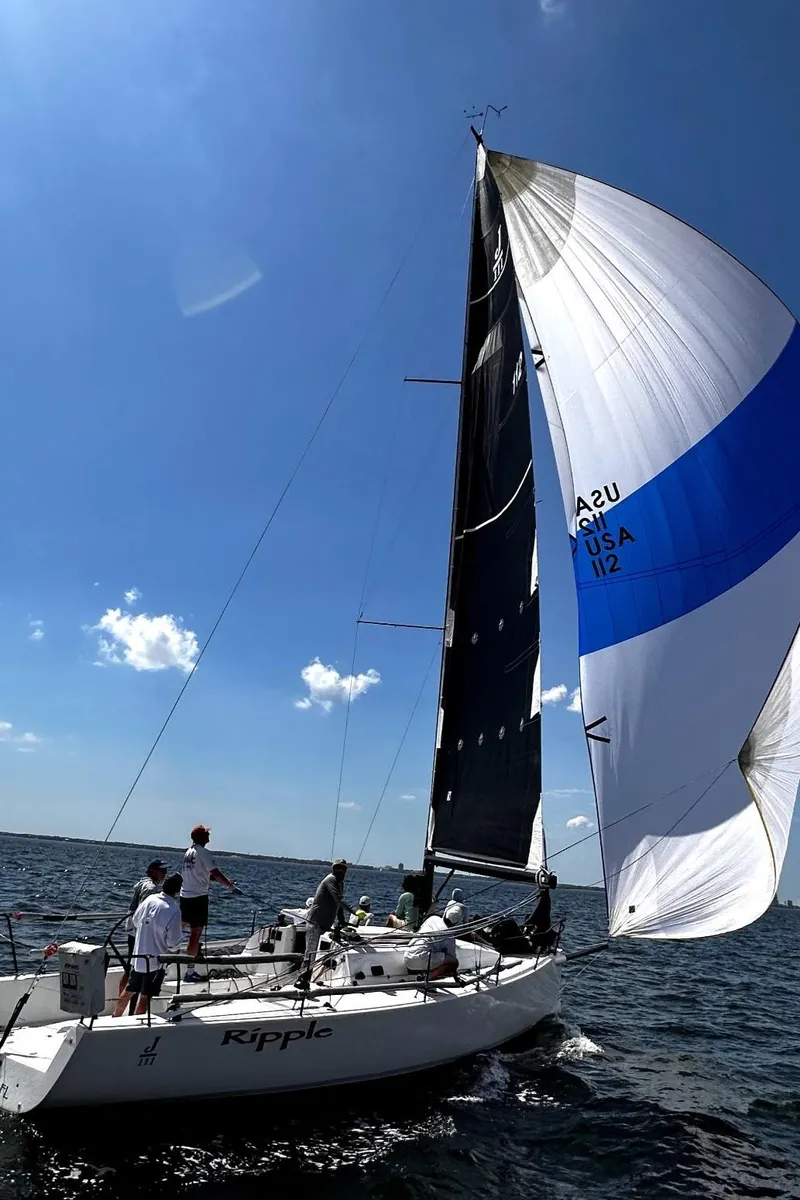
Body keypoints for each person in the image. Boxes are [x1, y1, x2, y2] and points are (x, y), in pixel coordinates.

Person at [113, 873, 183, 1016]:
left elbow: (136, 920)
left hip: (138, 958)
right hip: (155, 962)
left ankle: (116, 1016)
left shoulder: (149, 899)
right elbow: (173, 943)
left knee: (129, 990)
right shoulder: (173, 910)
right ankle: (138, 1023)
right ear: (178, 891)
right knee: (145, 996)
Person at [179, 824, 238, 983]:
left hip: (185, 896)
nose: (209, 837)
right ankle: (189, 972)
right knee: (195, 935)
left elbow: (201, 873)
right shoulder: (204, 852)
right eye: (207, 834)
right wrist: (229, 885)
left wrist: (221, 881)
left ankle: (165, 964)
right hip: (198, 898)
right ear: (201, 837)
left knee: (178, 931)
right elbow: (215, 872)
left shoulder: (188, 852)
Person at [297, 859, 358, 987]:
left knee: (316, 952)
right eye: (338, 868)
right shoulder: (330, 880)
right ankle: (302, 980)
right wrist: (355, 911)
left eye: (343, 868)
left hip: (325, 924)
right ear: (333, 869)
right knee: (310, 953)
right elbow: (339, 898)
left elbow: (338, 904)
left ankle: (309, 979)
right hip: (315, 922)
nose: (340, 871)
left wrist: (342, 920)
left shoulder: (340, 883)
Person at [117, 858, 168, 1000]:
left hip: (131, 930)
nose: (164, 874)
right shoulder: (151, 889)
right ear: (152, 871)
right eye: (162, 871)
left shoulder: (142, 883)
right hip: (139, 933)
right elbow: (145, 912)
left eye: (165, 871)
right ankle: (131, 1000)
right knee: (135, 970)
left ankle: (121, 999)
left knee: (129, 967)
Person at [403, 909, 459, 981]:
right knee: (454, 962)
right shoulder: (450, 935)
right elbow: (452, 957)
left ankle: (418, 973)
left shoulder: (433, 918)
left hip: (408, 957)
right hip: (422, 959)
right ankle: (428, 978)